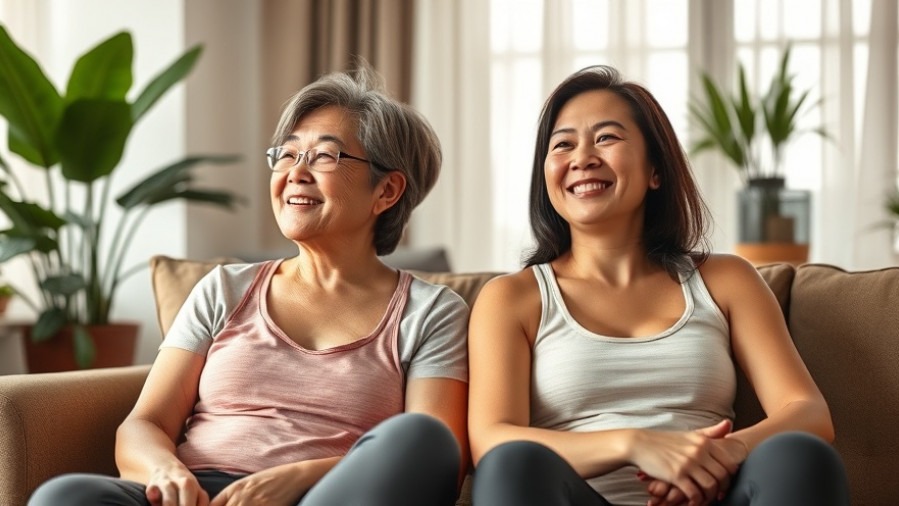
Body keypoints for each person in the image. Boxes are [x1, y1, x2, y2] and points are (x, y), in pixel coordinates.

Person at [29, 65, 468, 506]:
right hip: (199, 496)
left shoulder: (430, 312)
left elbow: (437, 457)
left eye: (324, 156)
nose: (295, 172)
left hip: (325, 497)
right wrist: (168, 471)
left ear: (387, 190)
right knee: (65, 495)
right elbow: (145, 425)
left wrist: (297, 478)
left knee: (420, 436)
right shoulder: (224, 289)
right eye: (288, 154)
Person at [467, 65, 849, 506]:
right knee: (511, 464)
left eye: (606, 138)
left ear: (655, 170)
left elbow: (808, 412)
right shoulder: (513, 298)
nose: (582, 157)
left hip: (711, 498)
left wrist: (723, 453)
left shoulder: (725, 280)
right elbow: (491, 442)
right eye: (563, 144)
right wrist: (636, 444)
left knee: (799, 455)